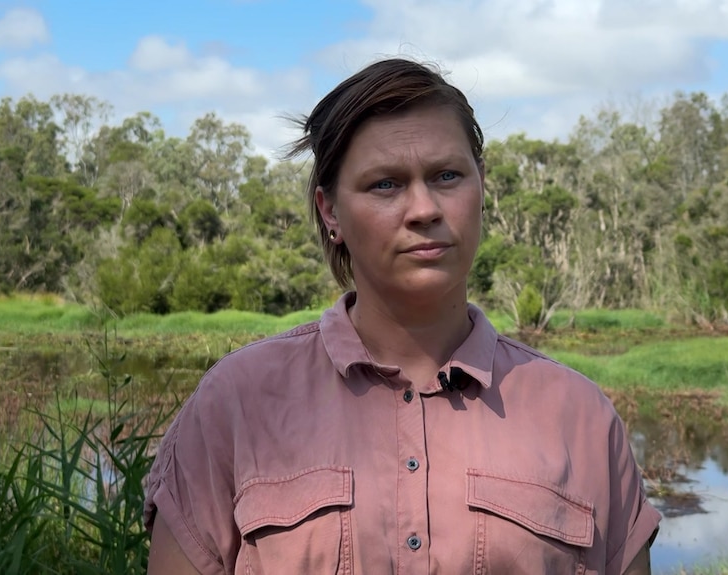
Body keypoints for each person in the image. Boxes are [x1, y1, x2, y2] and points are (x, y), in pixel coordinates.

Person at [144, 57, 661, 575]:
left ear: (482, 186)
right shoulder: (236, 403)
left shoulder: (581, 419)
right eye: (385, 184)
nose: (423, 209)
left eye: (447, 176)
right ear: (330, 212)